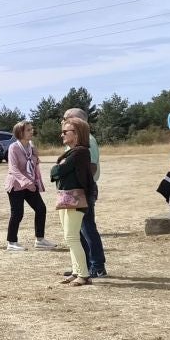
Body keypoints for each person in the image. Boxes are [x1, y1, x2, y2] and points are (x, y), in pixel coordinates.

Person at [61, 106, 107, 278]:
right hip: (75, 189)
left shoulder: (88, 140)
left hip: (82, 189)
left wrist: (83, 188)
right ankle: (83, 266)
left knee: (87, 227)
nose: (63, 121)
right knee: (78, 230)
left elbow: (92, 167)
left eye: (66, 118)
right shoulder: (76, 141)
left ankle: (97, 266)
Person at [51, 116, 98, 285]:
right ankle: (77, 271)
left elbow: (57, 171)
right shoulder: (72, 152)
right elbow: (55, 171)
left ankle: (84, 275)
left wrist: (59, 167)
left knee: (71, 237)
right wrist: (59, 167)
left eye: (65, 132)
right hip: (66, 196)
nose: (62, 135)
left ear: (76, 133)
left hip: (77, 197)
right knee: (69, 236)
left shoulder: (80, 151)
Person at [4, 121, 56, 253]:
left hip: (30, 184)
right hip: (16, 185)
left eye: (31, 129)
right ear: (20, 132)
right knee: (17, 213)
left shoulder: (31, 146)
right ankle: (12, 242)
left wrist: (36, 156)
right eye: (28, 130)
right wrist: (26, 181)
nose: (31, 131)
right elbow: (13, 168)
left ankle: (40, 240)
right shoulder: (13, 148)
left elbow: (34, 165)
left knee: (41, 208)